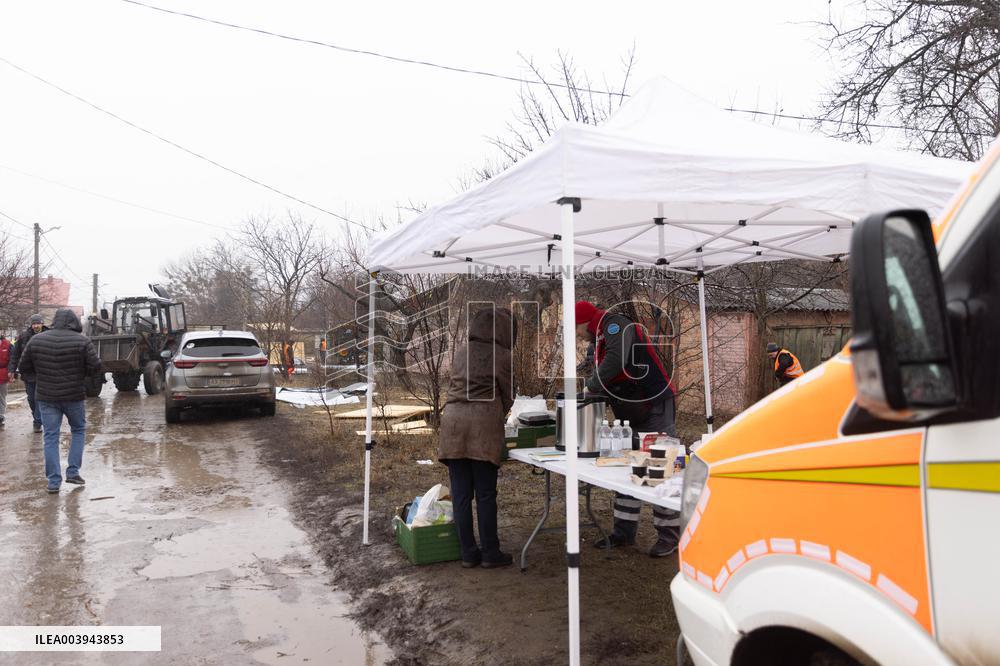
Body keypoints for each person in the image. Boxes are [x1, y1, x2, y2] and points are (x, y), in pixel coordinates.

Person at [575, 300, 680, 558]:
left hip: (654, 405)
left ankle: (670, 536)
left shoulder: (616, 326)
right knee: (627, 467)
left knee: (659, 469)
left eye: (577, 328)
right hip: (634, 409)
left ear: (585, 322)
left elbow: (615, 360)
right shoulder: (600, 337)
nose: (577, 335)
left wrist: (591, 386)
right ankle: (623, 532)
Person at [438, 307, 516, 569]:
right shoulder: (503, 356)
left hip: (453, 425)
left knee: (460, 494)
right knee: (484, 494)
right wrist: (497, 413)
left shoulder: (460, 351)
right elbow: (508, 396)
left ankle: (468, 553)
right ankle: (490, 553)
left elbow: (452, 386)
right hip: (483, 427)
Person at [17, 309, 102, 493]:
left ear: (55, 321)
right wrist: (80, 376)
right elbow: (96, 366)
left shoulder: (37, 340)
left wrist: (41, 378)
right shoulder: (82, 341)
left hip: (47, 397)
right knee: (78, 430)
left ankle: (53, 482)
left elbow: (23, 366)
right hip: (73, 396)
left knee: (50, 437)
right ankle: (73, 472)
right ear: (73, 322)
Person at [8, 313, 47, 432]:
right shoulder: (24, 336)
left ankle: (37, 422)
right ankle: (37, 418)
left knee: (38, 398)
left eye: (38, 323)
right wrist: (12, 370)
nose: (36, 326)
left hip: (44, 373)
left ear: (42, 323)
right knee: (31, 398)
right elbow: (15, 355)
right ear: (31, 325)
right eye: (34, 323)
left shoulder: (49, 335)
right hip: (28, 373)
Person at [0, 333, 11, 427]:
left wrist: (12, 372)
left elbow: (12, 359)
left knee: (2, 396)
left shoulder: (8, 344)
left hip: (2, 374)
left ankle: (1, 416)